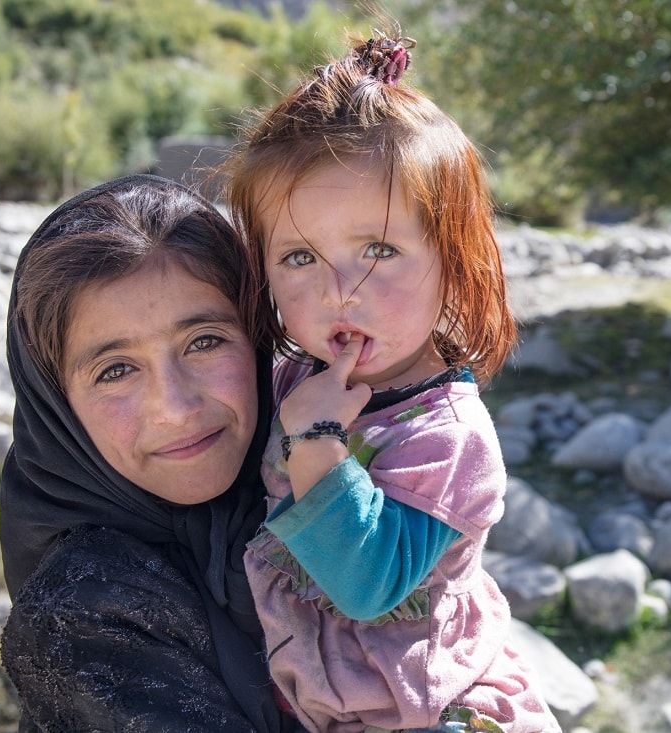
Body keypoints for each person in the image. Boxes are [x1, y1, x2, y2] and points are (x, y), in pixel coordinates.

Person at [226, 30, 561, 733]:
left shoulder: (447, 436)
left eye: (378, 249)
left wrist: (317, 440)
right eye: (299, 257)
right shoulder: (290, 378)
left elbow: (367, 585)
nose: (339, 290)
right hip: (321, 699)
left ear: (454, 260)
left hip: (429, 706)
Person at [0, 174, 293, 732]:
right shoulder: (85, 618)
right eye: (116, 370)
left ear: (256, 338)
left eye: (204, 341)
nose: (176, 408)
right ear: (55, 404)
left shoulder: (323, 481)